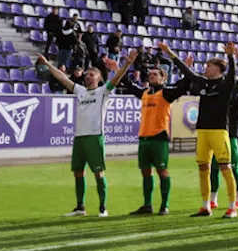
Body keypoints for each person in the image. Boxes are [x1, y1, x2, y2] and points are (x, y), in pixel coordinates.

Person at [41, 51, 136, 217]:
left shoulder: (103, 92)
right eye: (86, 74)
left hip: (94, 137)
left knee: (99, 173)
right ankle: (80, 207)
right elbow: (62, 78)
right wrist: (48, 64)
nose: (88, 76)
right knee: (78, 172)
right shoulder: (80, 91)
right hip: (79, 138)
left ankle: (102, 208)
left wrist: (127, 64)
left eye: (92, 74)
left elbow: (116, 79)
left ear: (99, 78)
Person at [164, 42, 238, 218]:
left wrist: (230, 56)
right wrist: (170, 53)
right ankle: (205, 205)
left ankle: (232, 207)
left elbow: (232, 74)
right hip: (203, 131)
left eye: (209, 66)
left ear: (219, 69)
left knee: (225, 167)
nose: (206, 68)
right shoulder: (204, 83)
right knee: (203, 168)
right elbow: (187, 72)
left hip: (219, 131)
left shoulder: (226, 84)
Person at [117, 64, 188, 216]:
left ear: (163, 78)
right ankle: (147, 205)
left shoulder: (167, 92)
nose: (151, 75)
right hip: (144, 138)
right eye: (150, 74)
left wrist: (185, 69)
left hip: (159, 138)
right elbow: (127, 84)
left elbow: (183, 86)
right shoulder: (145, 92)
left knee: (162, 171)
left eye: (155, 74)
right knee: (145, 172)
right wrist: (117, 68)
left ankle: (164, 205)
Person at [209, 73, 238, 213]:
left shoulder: (235, 101)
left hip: (230, 138)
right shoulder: (217, 98)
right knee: (213, 169)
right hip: (216, 137)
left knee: (233, 168)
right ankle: (213, 199)